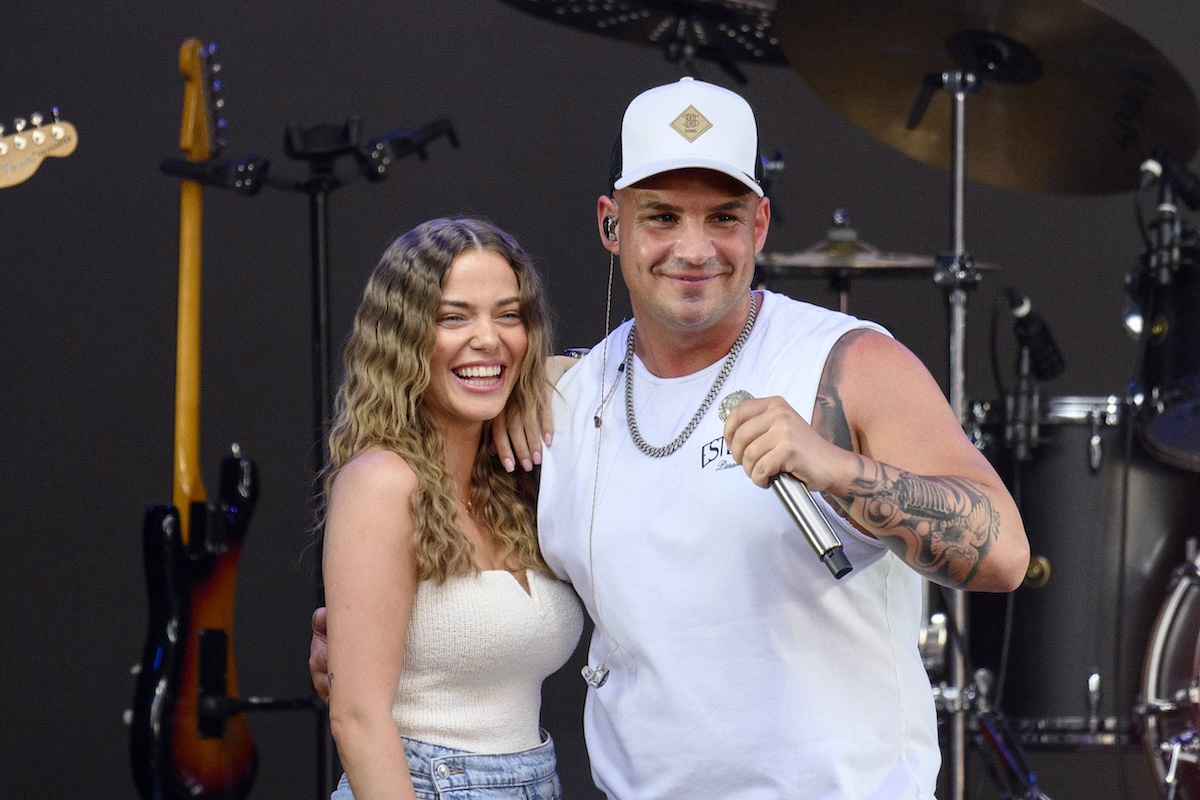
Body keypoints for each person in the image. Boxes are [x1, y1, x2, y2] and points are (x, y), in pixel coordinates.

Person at [313, 78, 1030, 799]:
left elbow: (1003, 555)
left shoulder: (849, 362)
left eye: (722, 216)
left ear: (759, 223)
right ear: (611, 223)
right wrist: (372, 653)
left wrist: (834, 466)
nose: (693, 249)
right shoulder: (561, 400)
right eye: (661, 216)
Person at [317, 216, 583, 800]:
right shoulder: (381, 482)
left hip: (533, 779)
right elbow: (356, 719)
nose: (488, 339)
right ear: (403, 335)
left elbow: (632, 378)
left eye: (508, 315)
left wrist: (553, 370)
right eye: (453, 316)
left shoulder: (520, 479)